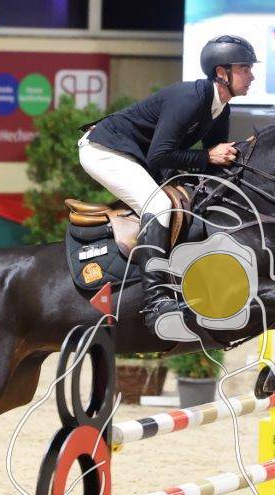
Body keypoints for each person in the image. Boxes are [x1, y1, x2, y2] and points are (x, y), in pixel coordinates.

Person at [78, 35, 257, 331]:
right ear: (221, 72)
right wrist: (208, 156)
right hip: (105, 151)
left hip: (139, 157)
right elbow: (161, 155)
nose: (252, 76)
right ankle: (155, 301)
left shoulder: (220, 108)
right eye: (245, 69)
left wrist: (244, 150)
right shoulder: (191, 98)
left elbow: (215, 160)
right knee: (160, 206)